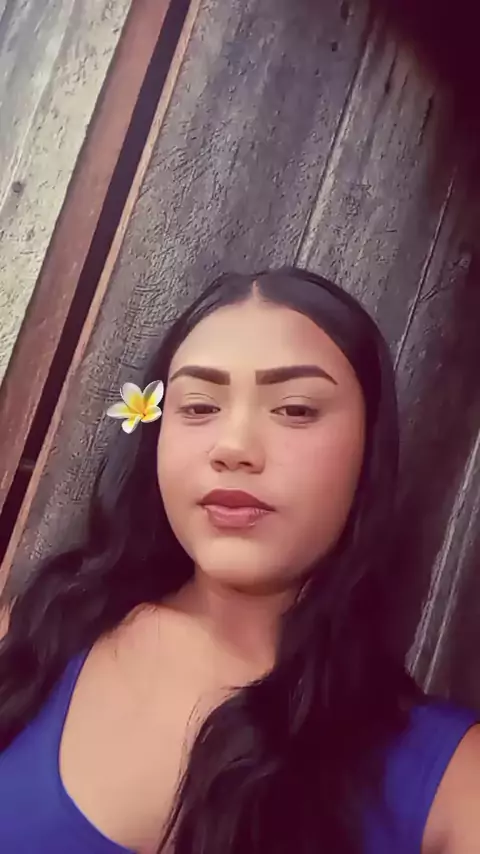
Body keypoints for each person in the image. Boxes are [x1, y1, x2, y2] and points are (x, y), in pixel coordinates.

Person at [0, 268, 478, 854]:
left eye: (295, 410)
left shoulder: (452, 783)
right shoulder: (31, 644)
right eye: (199, 406)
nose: (234, 448)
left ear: (369, 449)